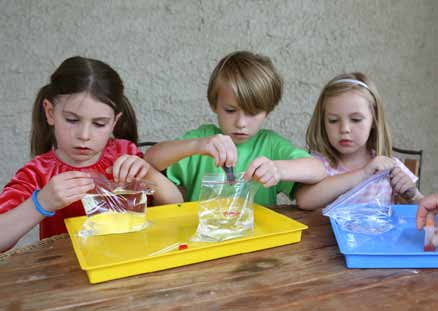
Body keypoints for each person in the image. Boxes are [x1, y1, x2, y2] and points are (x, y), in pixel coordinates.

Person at [0, 56, 182, 252]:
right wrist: (41, 203)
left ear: (114, 122)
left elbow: (175, 205)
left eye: (99, 124)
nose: (84, 135)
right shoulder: (38, 173)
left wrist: (149, 172)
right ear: (50, 113)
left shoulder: (124, 155)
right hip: (66, 276)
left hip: (129, 267)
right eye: (71, 120)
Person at [145, 51, 326, 207]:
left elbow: (318, 169)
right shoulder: (204, 140)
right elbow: (151, 159)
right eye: (230, 110)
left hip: (258, 241)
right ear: (214, 104)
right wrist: (195, 146)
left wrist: (278, 169)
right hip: (206, 239)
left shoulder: (270, 145)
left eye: (253, 113)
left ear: (268, 111)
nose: (240, 123)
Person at [295, 72, 423, 210]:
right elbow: (304, 201)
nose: (344, 129)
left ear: (374, 120)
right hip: (329, 232)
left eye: (356, 120)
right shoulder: (318, 165)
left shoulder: (388, 166)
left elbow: (423, 207)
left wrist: (412, 194)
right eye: (333, 120)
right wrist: (363, 173)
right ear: (323, 122)